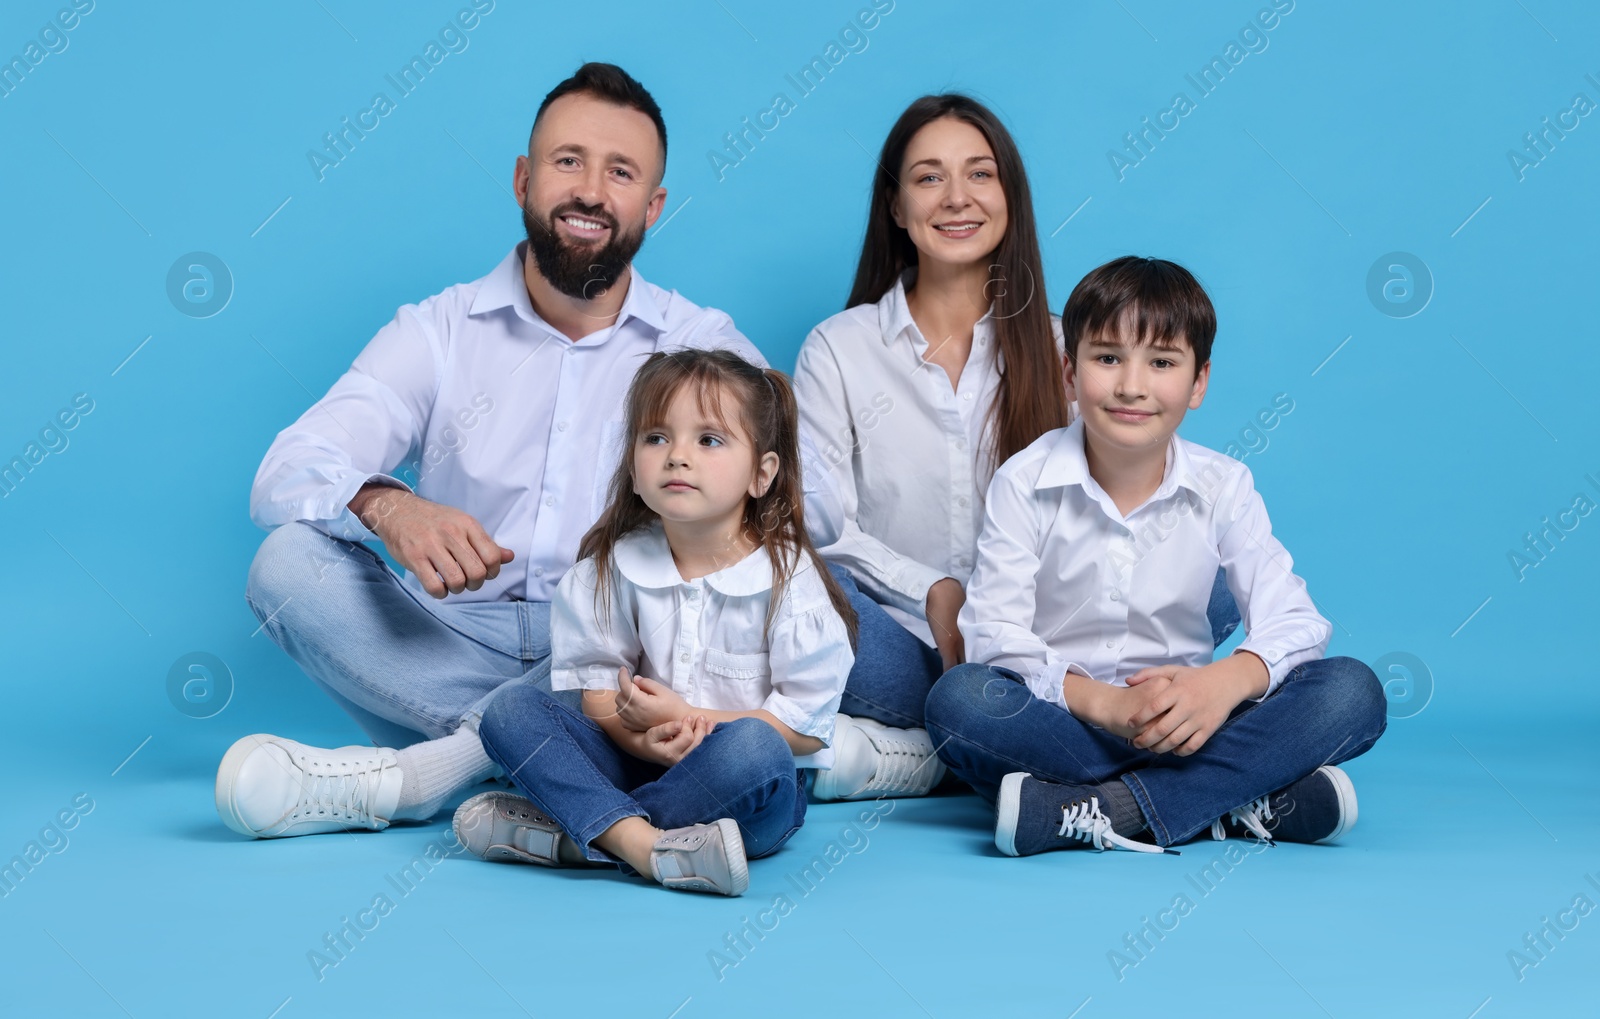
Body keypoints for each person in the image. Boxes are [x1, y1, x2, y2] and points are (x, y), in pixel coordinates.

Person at [214, 64, 841, 840]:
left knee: (623, 637)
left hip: (625, 649)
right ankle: (526, 753)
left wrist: (692, 540)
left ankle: (421, 776)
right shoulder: (439, 329)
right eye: (568, 161)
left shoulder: (701, 346)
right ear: (523, 178)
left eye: (621, 172)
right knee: (284, 565)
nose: (590, 191)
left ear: (653, 206)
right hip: (447, 635)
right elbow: (287, 467)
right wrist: (390, 506)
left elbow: (814, 507)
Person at [794, 96, 1236, 801]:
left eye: (980, 174)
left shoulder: (1069, 347)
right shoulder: (840, 349)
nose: (957, 197)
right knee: (795, 590)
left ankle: (937, 754)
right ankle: (1000, 746)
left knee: (1208, 571)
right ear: (898, 206)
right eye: (929, 178)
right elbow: (820, 528)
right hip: (910, 647)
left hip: (1055, 649)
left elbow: (1138, 490)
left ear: (1010, 197)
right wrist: (934, 590)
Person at [923, 256, 1386, 856]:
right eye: (1107, 357)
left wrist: (1220, 685)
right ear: (1069, 372)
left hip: (1194, 722)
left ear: (1198, 383)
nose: (1132, 386)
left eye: (1162, 362)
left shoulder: (1225, 484)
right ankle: (1237, 798)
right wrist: (1108, 704)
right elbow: (993, 636)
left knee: (1354, 690)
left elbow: (1296, 622)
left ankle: (1098, 810)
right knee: (958, 702)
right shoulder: (1024, 479)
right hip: (1067, 724)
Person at [452, 350, 855, 897]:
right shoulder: (611, 566)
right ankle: (645, 849)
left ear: (762, 475)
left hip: (733, 795)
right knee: (511, 711)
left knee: (757, 749)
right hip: (628, 764)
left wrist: (690, 719)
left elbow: (805, 729)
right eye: (656, 438)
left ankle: (587, 836)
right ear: (633, 465)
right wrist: (640, 740)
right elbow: (596, 694)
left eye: (709, 440)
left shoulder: (787, 579)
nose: (677, 457)